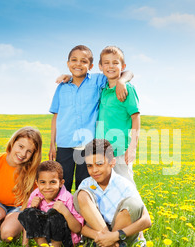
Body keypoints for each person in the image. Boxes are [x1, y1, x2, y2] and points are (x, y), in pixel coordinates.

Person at [49, 45, 133, 193]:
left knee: (86, 185)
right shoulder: (62, 87)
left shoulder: (97, 81)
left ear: (91, 66)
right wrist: (52, 144)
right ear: (68, 63)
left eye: (84, 61)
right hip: (64, 143)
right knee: (63, 183)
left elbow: (127, 72)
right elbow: (56, 116)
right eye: (74, 60)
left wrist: (122, 81)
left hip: (88, 144)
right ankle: (60, 214)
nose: (78, 64)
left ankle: (83, 215)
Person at [73, 139, 151, 247]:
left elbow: (147, 220)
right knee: (80, 194)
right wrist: (101, 236)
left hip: (121, 234)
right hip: (95, 235)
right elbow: (77, 224)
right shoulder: (86, 184)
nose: (94, 170)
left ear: (112, 163)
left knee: (132, 204)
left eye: (99, 164)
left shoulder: (125, 185)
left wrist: (115, 236)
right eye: (89, 166)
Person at [96, 46, 140, 185]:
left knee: (126, 186)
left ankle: (138, 208)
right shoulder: (103, 90)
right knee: (107, 187)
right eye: (107, 63)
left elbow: (135, 118)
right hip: (102, 150)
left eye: (115, 63)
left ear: (123, 66)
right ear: (100, 66)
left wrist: (132, 147)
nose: (111, 66)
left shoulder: (128, 89)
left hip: (121, 149)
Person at [18, 160, 84, 247]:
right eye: (43, 182)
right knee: (28, 212)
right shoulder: (36, 194)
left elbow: (77, 229)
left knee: (54, 213)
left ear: (61, 183)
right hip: (45, 237)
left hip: (64, 241)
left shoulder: (67, 198)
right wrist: (25, 244)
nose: (47, 187)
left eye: (52, 182)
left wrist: (65, 212)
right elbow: (28, 220)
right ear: (37, 183)